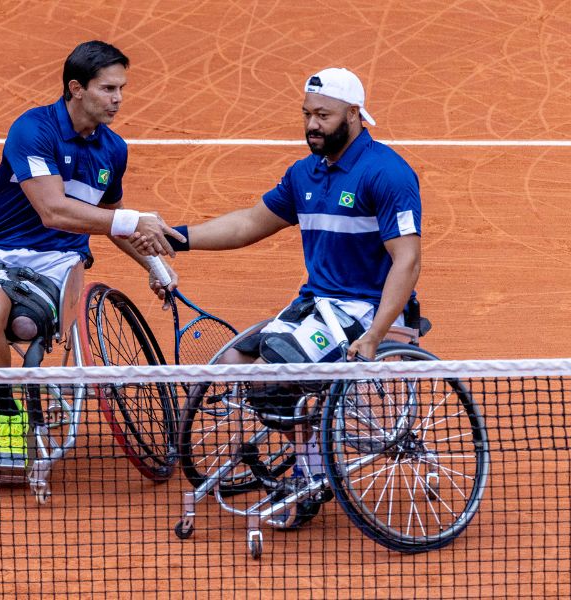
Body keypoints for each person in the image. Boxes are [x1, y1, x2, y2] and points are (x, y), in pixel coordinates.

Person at [144, 67, 421, 500]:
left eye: (323, 116)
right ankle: (310, 459)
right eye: (307, 114)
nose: (312, 125)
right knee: (233, 366)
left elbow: (407, 260)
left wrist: (376, 333)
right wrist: (177, 239)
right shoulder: (303, 174)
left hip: (366, 310)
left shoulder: (387, 173)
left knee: (270, 378)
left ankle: (311, 478)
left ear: (353, 114)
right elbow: (249, 223)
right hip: (317, 304)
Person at [0, 40, 184, 461]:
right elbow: (53, 211)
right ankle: (11, 417)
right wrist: (134, 219)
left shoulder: (113, 150)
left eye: (121, 89)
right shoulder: (33, 129)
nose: (118, 99)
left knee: (28, 329)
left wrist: (152, 264)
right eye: (108, 89)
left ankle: (21, 381)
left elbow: (107, 219)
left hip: (61, 262)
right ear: (76, 88)